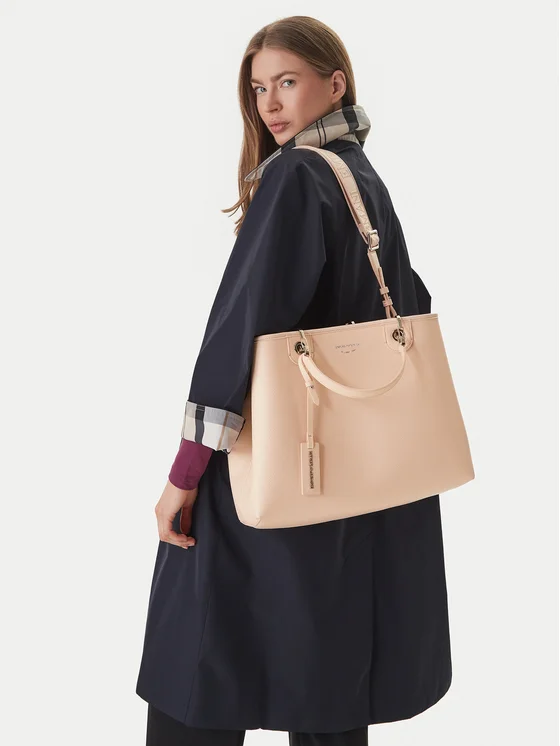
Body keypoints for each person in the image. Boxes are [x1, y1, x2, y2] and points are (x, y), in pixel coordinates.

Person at [136, 15, 452, 746]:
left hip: (272, 460)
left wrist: (186, 472)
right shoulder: (362, 179)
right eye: (257, 89)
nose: (270, 104)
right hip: (350, 476)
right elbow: (408, 304)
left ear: (335, 84)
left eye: (287, 81)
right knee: (326, 677)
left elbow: (240, 330)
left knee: (198, 664)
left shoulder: (298, 175)